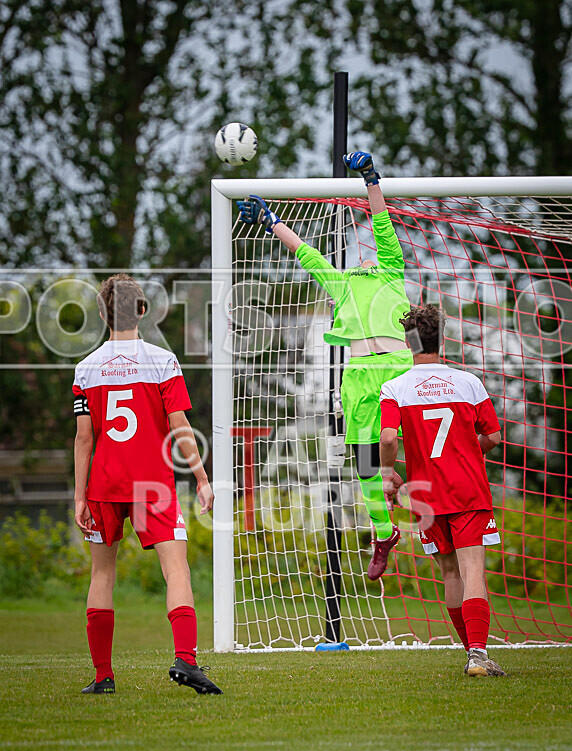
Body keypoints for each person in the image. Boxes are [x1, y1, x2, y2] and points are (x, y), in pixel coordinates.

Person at [237, 151, 413, 580]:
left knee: (419, 445)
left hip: (399, 370)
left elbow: (382, 221)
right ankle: (383, 532)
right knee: (365, 461)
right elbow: (307, 254)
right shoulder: (344, 282)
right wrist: (271, 221)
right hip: (357, 376)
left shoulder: (392, 270)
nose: (364, 257)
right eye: (360, 257)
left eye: (368, 254)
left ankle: (422, 500)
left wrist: (371, 178)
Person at [73, 274, 222, 695]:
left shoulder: (86, 369)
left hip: (104, 484)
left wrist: (79, 495)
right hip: (153, 485)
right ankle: (186, 662)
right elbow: (180, 426)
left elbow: (85, 438)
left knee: (101, 575)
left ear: (103, 314)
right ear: (142, 311)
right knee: (176, 570)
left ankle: (103, 677)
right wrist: (203, 479)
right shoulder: (162, 360)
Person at [379, 304, 506, 677]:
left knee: (451, 573)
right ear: (441, 338)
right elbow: (494, 437)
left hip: (426, 495)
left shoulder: (396, 387)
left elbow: (388, 436)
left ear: (409, 342)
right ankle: (478, 657)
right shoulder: (468, 382)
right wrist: (468, 451)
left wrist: (388, 474)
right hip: (468, 490)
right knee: (473, 571)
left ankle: (473, 654)